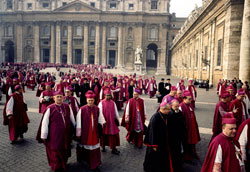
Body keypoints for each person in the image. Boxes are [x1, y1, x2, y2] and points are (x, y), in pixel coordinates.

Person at [36, 91, 76, 172]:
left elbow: (72, 119)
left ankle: (63, 164)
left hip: (65, 134)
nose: (59, 98)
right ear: (54, 98)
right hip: (54, 135)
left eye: (61, 97)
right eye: (57, 97)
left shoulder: (67, 106)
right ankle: (56, 166)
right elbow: (45, 122)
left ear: (63, 98)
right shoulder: (50, 108)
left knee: (64, 149)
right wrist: (44, 135)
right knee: (55, 150)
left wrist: (75, 129)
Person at [76, 90, 104, 172]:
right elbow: (78, 122)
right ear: (86, 100)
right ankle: (85, 161)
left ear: (94, 100)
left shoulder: (97, 109)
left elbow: (100, 120)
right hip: (85, 132)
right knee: (84, 146)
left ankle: (95, 163)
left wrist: (100, 129)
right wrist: (78, 134)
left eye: (92, 100)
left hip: (94, 132)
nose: (90, 102)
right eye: (89, 100)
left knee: (94, 148)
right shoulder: (82, 109)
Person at [143, 102, 173, 172]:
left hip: (162, 141)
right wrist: (154, 145)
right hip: (156, 143)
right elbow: (153, 132)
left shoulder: (165, 115)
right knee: (154, 158)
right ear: (163, 109)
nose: (169, 111)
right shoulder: (155, 118)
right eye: (168, 109)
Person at [180, 90, 200, 161]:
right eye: (189, 99)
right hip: (187, 129)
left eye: (191, 98)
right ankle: (187, 157)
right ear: (184, 99)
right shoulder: (181, 106)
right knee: (187, 143)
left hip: (193, 127)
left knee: (193, 142)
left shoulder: (190, 105)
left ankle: (193, 153)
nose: (191, 100)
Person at [98, 90, 120, 155]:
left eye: (109, 95)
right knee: (104, 135)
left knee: (113, 135)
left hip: (112, 122)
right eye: (107, 95)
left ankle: (113, 148)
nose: (108, 97)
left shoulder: (113, 103)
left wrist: (118, 120)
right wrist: (103, 121)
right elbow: (100, 113)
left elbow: (116, 112)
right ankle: (103, 146)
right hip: (105, 122)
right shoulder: (101, 103)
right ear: (104, 96)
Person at [167, 100, 187, 172]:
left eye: (178, 106)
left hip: (179, 136)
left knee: (179, 151)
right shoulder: (169, 114)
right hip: (173, 137)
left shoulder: (180, 112)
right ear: (171, 106)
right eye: (176, 106)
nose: (177, 107)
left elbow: (183, 123)